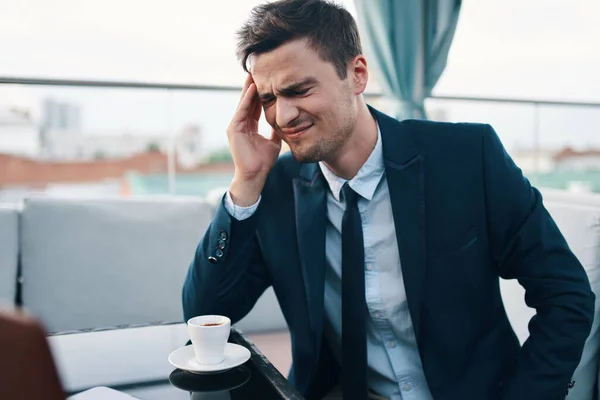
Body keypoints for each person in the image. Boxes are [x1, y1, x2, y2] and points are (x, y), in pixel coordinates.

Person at [182, 0, 595, 399]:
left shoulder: (469, 157)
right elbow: (205, 315)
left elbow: (566, 295)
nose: (283, 116)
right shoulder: (273, 189)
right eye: (269, 99)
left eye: (299, 90)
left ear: (357, 74)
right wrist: (246, 183)